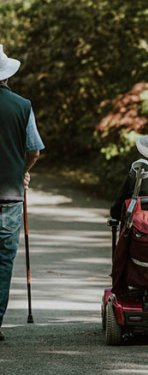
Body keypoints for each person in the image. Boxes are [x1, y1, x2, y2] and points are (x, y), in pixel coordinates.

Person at [0, 45, 44, 341]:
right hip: (9, 196)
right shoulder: (22, 105)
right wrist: (21, 170)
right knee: (3, 261)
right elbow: (34, 150)